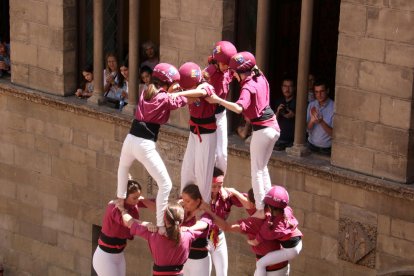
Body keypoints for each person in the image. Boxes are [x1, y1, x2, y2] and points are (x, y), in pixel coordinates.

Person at [206, 52, 280, 219]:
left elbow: (239, 108)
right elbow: (254, 67)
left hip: (262, 130)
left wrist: (217, 100)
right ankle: (268, 201)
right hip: (274, 128)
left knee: (257, 170)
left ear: (240, 72)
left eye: (235, 72)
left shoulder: (248, 87)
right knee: (263, 167)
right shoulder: (260, 78)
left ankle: (261, 209)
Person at [117, 63, 186, 233]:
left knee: (123, 167)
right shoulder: (163, 97)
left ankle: (119, 199)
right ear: (167, 83)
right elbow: (181, 101)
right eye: (174, 84)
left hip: (130, 138)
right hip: (144, 144)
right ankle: (161, 226)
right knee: (166, 184)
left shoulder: (146, 91)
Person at [200, 190, 289, 276]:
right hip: (282, 263)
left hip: (271, 270)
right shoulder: (275, 211)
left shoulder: (252, 223)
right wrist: (232, 191)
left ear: (252, 204)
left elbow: (226, 227)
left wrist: (208, 211)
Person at [118, 202, 203, 276]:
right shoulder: (188, 234)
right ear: (181, 220)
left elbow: (128, 222)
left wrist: (122, 210)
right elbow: (203, 224)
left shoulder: (153, 233)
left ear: (164, 219)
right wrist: (197, 214)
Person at [174, 62, 218, 203]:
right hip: (194, 133)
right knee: (187, 169)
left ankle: (204, 205)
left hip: (206, 135)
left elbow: (202, 93)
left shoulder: (205, 85)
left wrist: (180, 93)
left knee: (202, 173)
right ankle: (184, 199)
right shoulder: (189, 88)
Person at [248, 186, 303, 276]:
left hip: (291, 251)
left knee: (260, 264)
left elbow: (257, 241)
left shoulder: (273, 226)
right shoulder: (287, 210)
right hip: (298, 242)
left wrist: (251, 241)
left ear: (269, 207)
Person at [92, 180, 143, 276]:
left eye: (138, 197)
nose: (137, 200)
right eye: (134, 198)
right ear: (125, 197)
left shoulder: (132, 204)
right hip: (105, 257)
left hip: (119, 256)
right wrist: (146, 224)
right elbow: (128, 222)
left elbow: (151, 203)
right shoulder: (114, 208)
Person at [203, 41, 237, 175]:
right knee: (210, 155)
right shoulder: (208, 73)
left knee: (222, 154)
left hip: (220, 115)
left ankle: (219, 183)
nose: (226, 67)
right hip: (207, 118)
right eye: (224, 64)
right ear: (216, 61)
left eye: (229, 64)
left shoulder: (228, 70)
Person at [207, 167, 246, 276]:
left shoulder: (226, 196)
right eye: (213, 186)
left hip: (218, 237)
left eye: (219, 186)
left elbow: (248, 203)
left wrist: (234, 191)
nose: (216, 189)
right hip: (203, 238)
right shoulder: (201, 195)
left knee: (222, 273)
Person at [181, 184, 213, 276]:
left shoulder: (204, 214)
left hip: (199, 261)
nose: (184, 203)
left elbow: (203, 224)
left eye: (187, 201)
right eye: (183, 200)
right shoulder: (182, 212)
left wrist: (189, 229)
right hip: (183, 260)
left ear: (198, 201)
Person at [306, 78, 334, 155]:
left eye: (322, 91)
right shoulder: (311, 105)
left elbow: (334, 134)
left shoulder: (334, 107)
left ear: (327, 91)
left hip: (326, 149)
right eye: (316, 92)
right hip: (311, 145)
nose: (319, 95)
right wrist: (312, 121)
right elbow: (306, 129)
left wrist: (321, 122)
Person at [274, 76, 296, 151]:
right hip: (278, 140)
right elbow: (272, 123)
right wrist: (277, 112)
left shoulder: (298, 103)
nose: (287, 89)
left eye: (290, 86)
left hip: (293, 142)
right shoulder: (278, 101)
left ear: (294, 88)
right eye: (285, 86)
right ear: (282, 87)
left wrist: (294, 116)